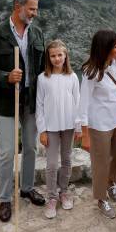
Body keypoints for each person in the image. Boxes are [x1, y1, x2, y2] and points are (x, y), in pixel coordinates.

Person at [0, 0, 46, 223]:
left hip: (30, 100)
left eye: (36, 9)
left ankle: (27, 188)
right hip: (6, 102)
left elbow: (42, 69)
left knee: (30, 148)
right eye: (31, 9)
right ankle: (5, 198)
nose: (35, 13)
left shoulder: (37, 34)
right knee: (8, 153)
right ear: (18, 7)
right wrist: (7, 77)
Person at [79, 29, 116, 219]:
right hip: (98, 124)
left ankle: (111, 183)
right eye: (115, 46)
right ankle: (101, 198)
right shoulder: (91, 72)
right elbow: (83, 104)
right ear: (105, 48)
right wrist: (85, 134)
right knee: (100, 163)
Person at [36, 39, 82, 219]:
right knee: (52, 164)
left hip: (69, 126)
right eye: (53, 55)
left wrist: (78, 126)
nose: (57, 59)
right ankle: (52, 197)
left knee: (67, 159)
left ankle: (64, 192)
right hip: (51, 128)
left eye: (60, 55)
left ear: (65, 56)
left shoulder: (72, 77)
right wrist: (42, 130)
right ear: (49, 57)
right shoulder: (42, 78)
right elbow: (39, 105)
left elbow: (78, 103)